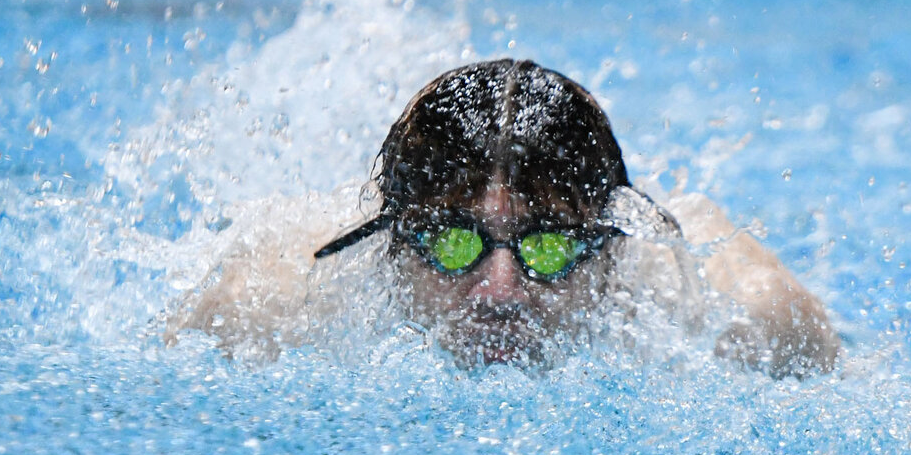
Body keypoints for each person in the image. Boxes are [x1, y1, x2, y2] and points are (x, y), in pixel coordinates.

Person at [173, 59, 839, 378]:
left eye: (549, 249)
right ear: (390, 245)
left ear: (613, 252)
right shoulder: (266, 306)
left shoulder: (743, 314)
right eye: (450, 243)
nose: (499, 292)